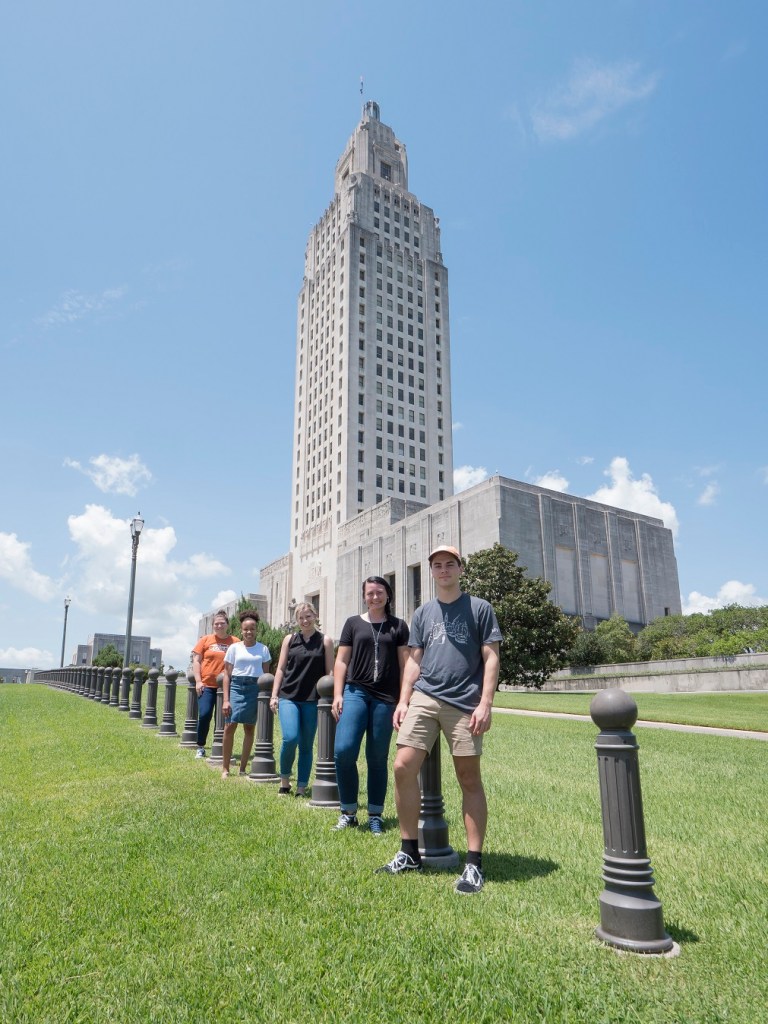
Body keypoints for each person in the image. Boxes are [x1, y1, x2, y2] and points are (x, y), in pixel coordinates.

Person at [377, 545, 502, 894]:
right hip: (425, 697)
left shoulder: (480, 609)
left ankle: (474, 864)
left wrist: (485, 704)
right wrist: (404, 700)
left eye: (449, 564)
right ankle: (409, 852)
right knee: (402, 767)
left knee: (468, 778)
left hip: (464, 702)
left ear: (460, 569)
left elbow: (491, 658)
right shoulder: (423, 613)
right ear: (431, 572)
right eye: (437, 565)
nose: (443, 570)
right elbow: (414, 661)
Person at [332, 577, 409, 834]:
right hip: (355, 691)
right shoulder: (353, 623)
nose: (374, 597)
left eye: (379, 593)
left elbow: (404, 664)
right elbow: (342, 661)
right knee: (343, 751)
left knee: (377, 758)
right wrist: (338, 694)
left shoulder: (398, 626)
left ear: (388, 595)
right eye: (369, 593)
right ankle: (349, 811)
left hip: (385, 698)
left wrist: (403, 699)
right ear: (363, 596)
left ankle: (375, 813)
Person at [269, 603, 334, 796]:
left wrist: (331, 697)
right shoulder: (290, 640)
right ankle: (284, 781)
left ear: (315, 616)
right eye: (301, 618)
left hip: (313, 700)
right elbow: (280, 669)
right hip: (289, 696)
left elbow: (330, 671)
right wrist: (274, 695)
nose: (305, 621)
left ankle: (301, 787)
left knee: (306, 745)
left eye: (308, 616)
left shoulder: (325, 641)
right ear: (296, 620)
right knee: (290, 738)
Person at [221, 609, 271, 780]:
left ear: (257, 630)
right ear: (241, 630)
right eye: (246, 629)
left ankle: (243, 768)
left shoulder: (263, 649)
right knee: (230, 726)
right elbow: (227, 675)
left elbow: (266, 677)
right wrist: (226, 700)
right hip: (236, 687)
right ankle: (225, 768)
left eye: (252, 629)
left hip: (255, 689)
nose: (249, 632)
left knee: (249, 727)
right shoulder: (234, 648)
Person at [191, 610, 239, 758]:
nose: (219, 626)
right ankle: (201, 746)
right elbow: (196, 661)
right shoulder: (205, 640)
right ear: (213, 626)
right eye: (216, 624)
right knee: (205, 714)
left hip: (227, 687)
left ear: (227, 625)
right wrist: (198, 681)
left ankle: (223, 748)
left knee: (226, 718)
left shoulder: (236, 642)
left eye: (222, 623)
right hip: (207, 685)